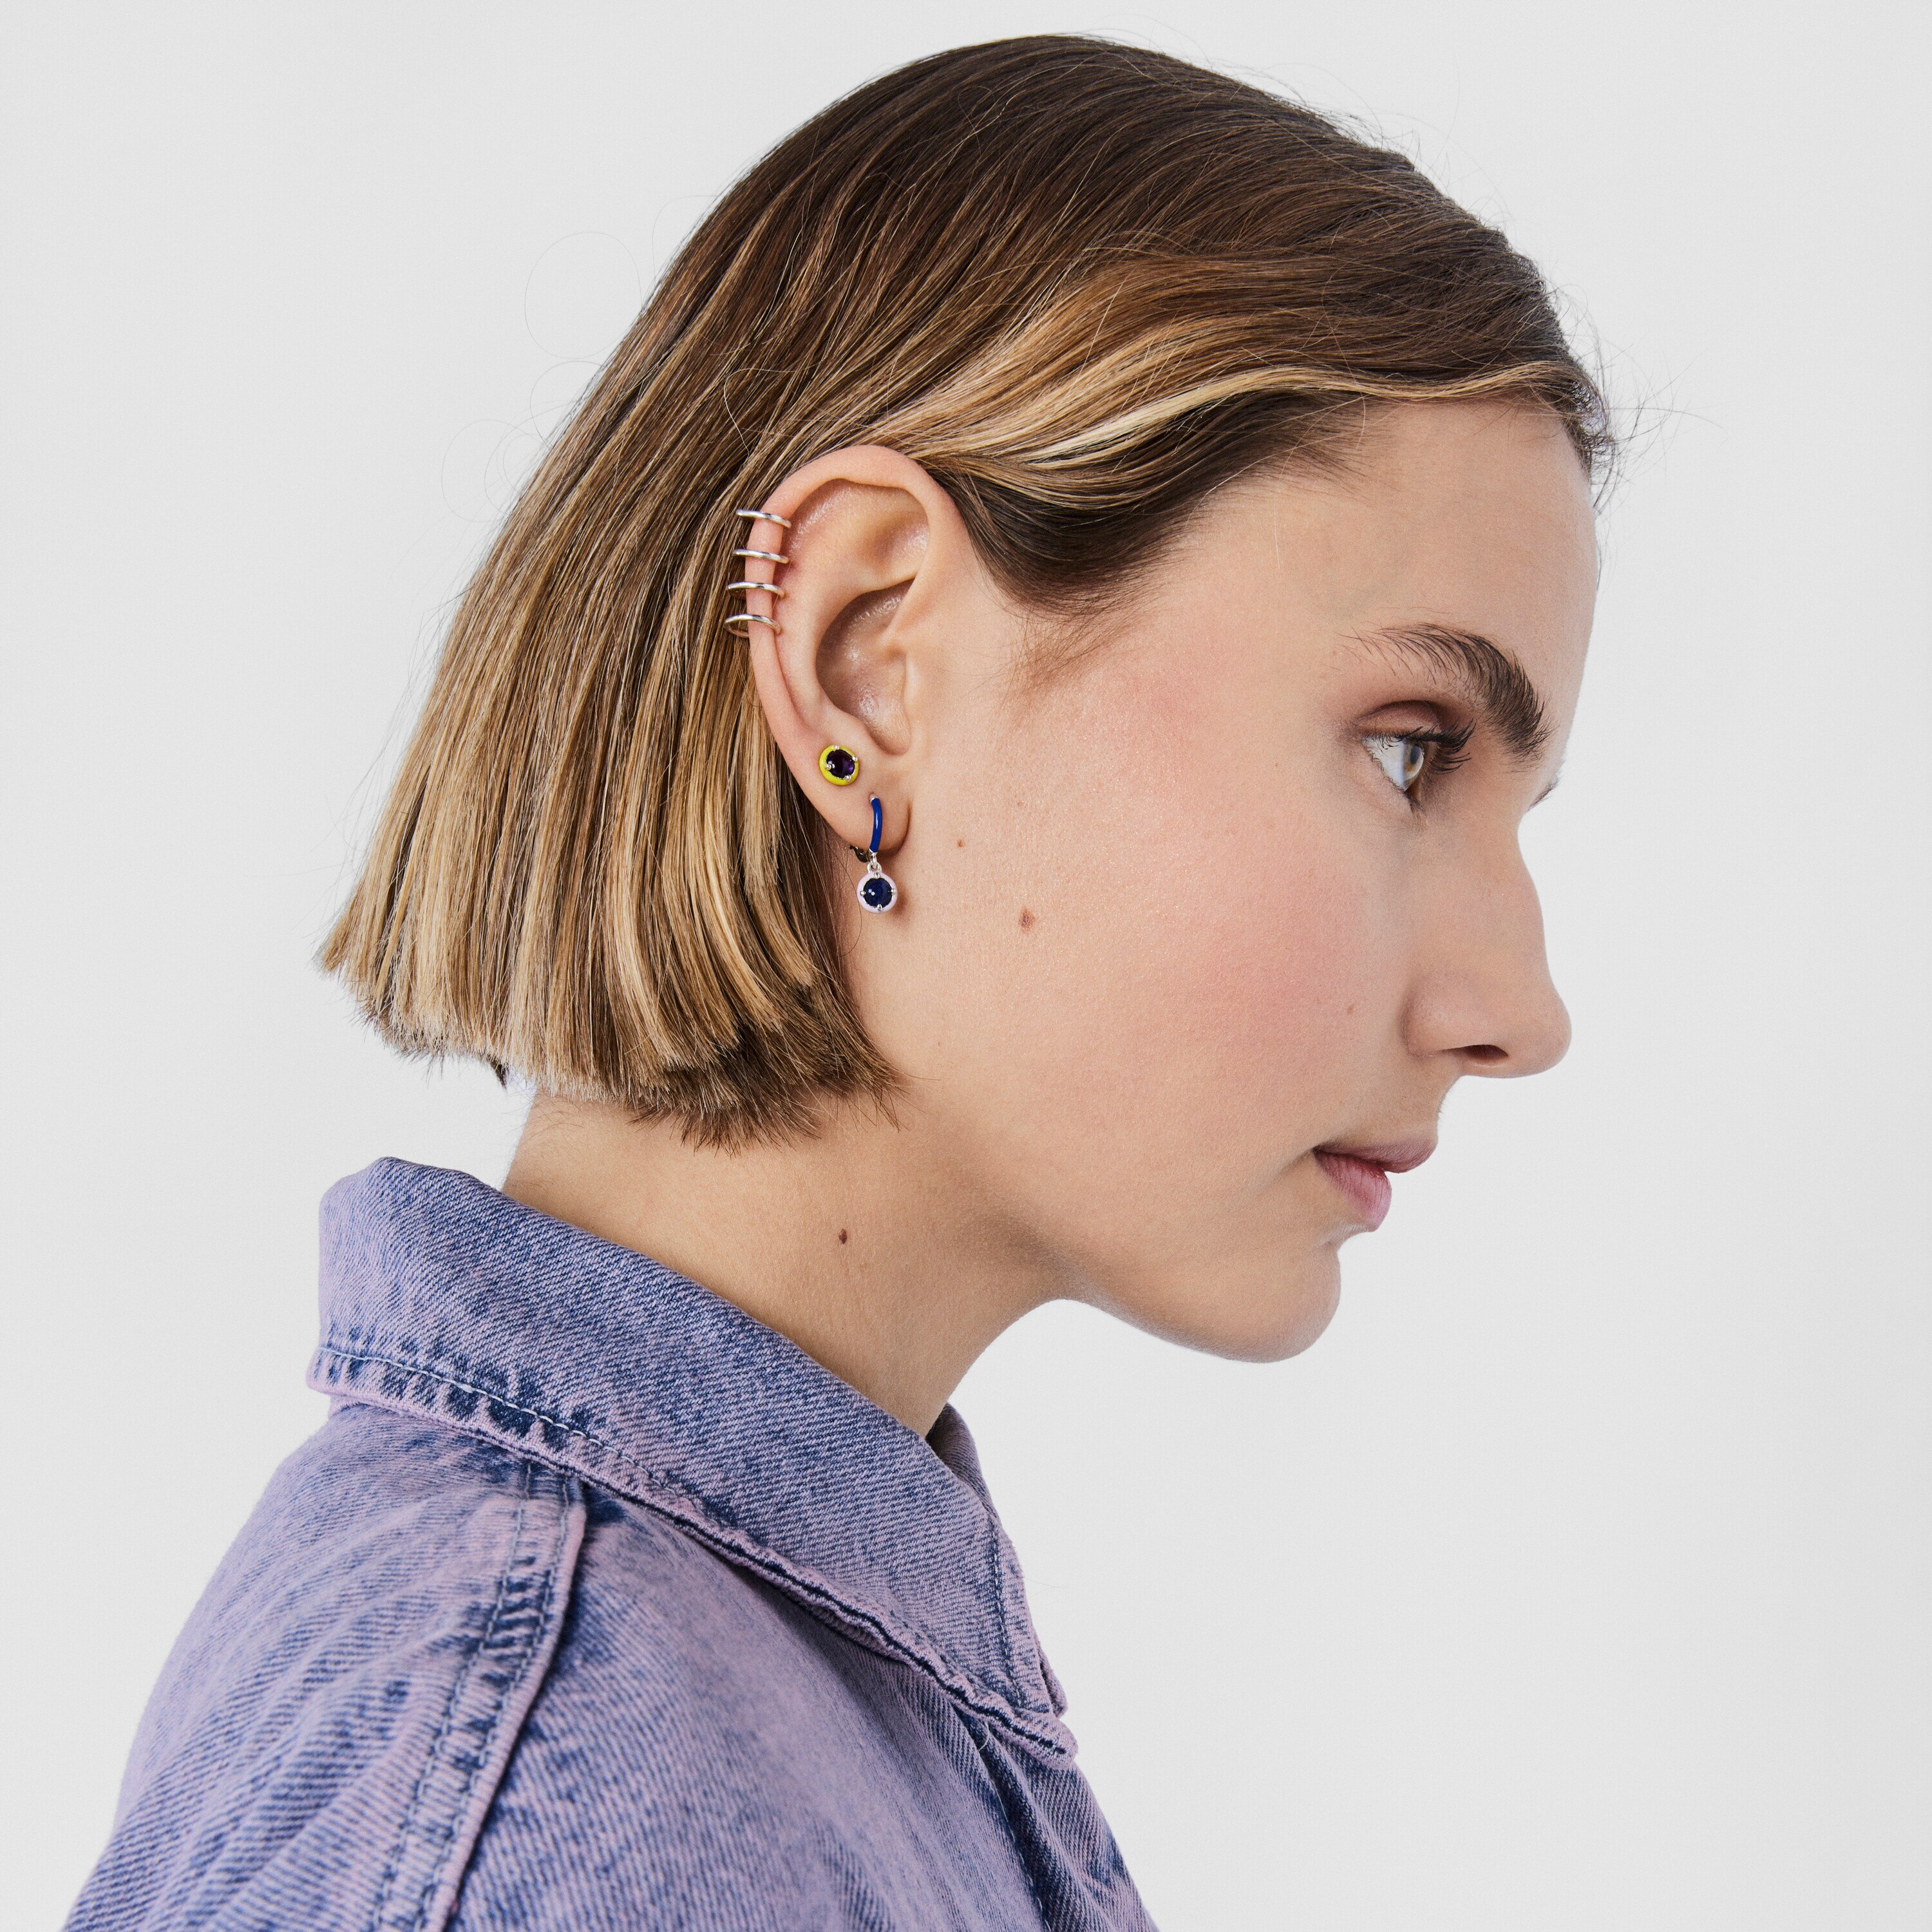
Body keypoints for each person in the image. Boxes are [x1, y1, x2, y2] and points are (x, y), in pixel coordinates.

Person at [64, 32, 1610, 1932]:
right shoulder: (573, 1785)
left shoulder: (682, 1694)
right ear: (871, 656)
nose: (1520, 1006)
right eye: (1408, 750)